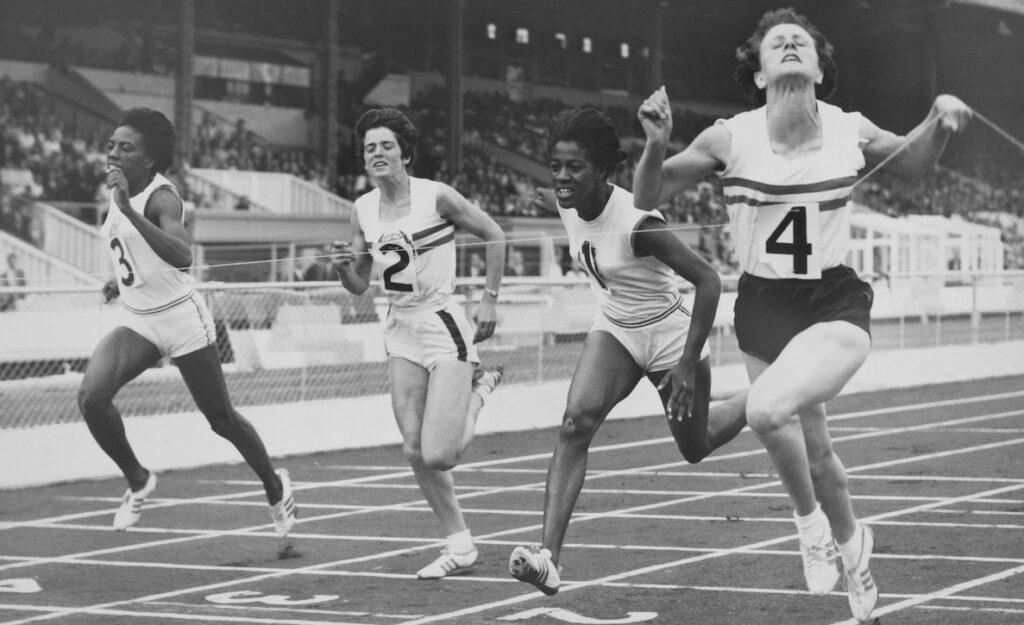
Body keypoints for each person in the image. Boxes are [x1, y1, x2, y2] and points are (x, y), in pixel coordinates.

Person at [631, 9, 972, 622]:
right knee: (816, 453)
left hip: (834, 302)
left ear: (819, 68)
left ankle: (809, 525)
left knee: (765, 410)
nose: (789, 44)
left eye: (801, 42)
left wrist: (938, 120)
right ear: (759, 74)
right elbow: (648, 197)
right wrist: (656, 145)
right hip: (763, 307)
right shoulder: (729, 138)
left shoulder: (850, 128)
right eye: (776, 43)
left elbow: (915, 163)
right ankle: (854, 550)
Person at [507, 108, 748, 595]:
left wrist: (685, 364)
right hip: (615, 328)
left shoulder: (639, 224)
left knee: (695, 446)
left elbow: (708, 281)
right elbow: (560, 201)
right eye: (555, 165)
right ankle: (548, 557)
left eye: (574, 167)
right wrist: (545, 194)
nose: (561, 176)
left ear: (601, 170)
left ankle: (762, 396)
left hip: (668, 336)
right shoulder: (564, 200)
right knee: (574, 425)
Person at [78, 108, 297, 536]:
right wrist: (119, 282)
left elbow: (181, 257)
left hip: (181, 319)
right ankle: (139, 481)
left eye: (126, 148)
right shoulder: (118, 188)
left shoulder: (162, 197)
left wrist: (127, 207)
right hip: (138, 320)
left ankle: (275, 486)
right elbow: (134, 252)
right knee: (91, 396)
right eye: (112, 146)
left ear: (150, 159)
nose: (114, 154)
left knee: (221, 420)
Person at [331, 108, 507, 579]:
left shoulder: (436, 196)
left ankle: (481, 388)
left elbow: (494, 234)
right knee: (412, 447)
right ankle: (460, 544)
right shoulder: (362, 209)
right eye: (370, 148)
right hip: (400, 327)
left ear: (405, 152)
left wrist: (489, 300)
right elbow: (360, 283)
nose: (377, 154)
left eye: (386, 145)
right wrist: (344, 268)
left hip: (442, 321)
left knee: (439, 454)